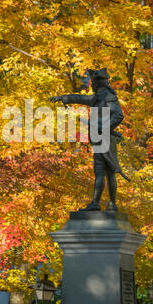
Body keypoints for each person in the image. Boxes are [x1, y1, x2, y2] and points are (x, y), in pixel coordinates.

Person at [50, 68, 129, 211]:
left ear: (99, 83)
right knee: (104, 170)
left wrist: (104, 127)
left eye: (94, 82)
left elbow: (118, 115)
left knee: (107, 170)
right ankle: (105, 204)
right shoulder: (97, 97)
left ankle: (103, 203)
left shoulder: (107, 97)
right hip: (99, 138)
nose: (92, 85)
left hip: (105, 137)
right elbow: (80, 98)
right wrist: (63, 98)